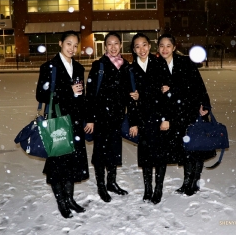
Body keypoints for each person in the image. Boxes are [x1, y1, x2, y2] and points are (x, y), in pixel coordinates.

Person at [36, 30, 89, 218]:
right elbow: (41, 95)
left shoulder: (79, 68)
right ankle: (61, 202)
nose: (72, 48)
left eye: (75, 45)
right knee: (58, 166)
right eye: (69, 44)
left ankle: (70, 199)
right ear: (60, 43)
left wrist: (87, 118)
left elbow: (81, 97)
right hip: (57, 123)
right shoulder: (49, 67)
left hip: (74, 123)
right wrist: (67, 90)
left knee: (72, 165)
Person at [157, 33, 216, 196]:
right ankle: (187, 182)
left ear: (174, 48)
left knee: (195, 148)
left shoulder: (184, 62)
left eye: (168, 46)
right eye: (161, 45)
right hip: (176, 115)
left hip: (192, 111)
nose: (165, 49)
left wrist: (205, 105)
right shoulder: (158, 66)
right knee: (186, 149)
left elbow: (196, 85)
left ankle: (193, 182)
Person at [85, 32, 138, 203]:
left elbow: (131, 94)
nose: (113, 47)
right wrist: (91, 118)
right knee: (100, 152)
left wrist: (132, 115)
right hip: (101, 118)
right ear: (105, 46)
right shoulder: (99, 65)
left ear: (121, 45)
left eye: (116, 43)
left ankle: (111, 182)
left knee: (114, 151)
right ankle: (101, 185)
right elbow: (90, 94)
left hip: (117, 117)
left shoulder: (127, 67)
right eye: (110, 44)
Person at [130, 32, 171, 204]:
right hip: (143, 119)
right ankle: (148, 188)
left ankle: (158, 188)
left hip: (159, 117)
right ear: (133, 49)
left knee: (160, 156)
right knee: (146, 156)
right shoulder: (131, 69)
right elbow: (130, 98)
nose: (142, 49)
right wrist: (133, 122)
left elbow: (168, 93)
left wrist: (167, 118)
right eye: (137, 46)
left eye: (144, 45)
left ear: (149, 45)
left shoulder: (160, 64)